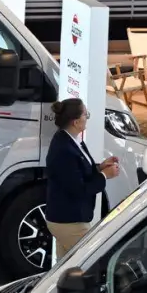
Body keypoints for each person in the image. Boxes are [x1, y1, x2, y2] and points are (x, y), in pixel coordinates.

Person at [45, 98, 121, 263]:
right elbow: (78, 189)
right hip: (68, 221)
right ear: (76, 122)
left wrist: (100, 167)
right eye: (86, 114)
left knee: (65, 268)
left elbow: (76, 172)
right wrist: (105, 176)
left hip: (66, 219)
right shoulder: (64, 149)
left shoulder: (69, 140)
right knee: (94, 262)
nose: (87, 117)